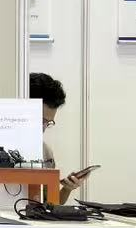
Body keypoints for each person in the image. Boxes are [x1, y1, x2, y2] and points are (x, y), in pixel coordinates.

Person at [30, 71, 91, 202]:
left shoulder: (45, 152)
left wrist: (67, 188)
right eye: (40, 120)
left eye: (48, 123)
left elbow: (51, 202)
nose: (43, 128)